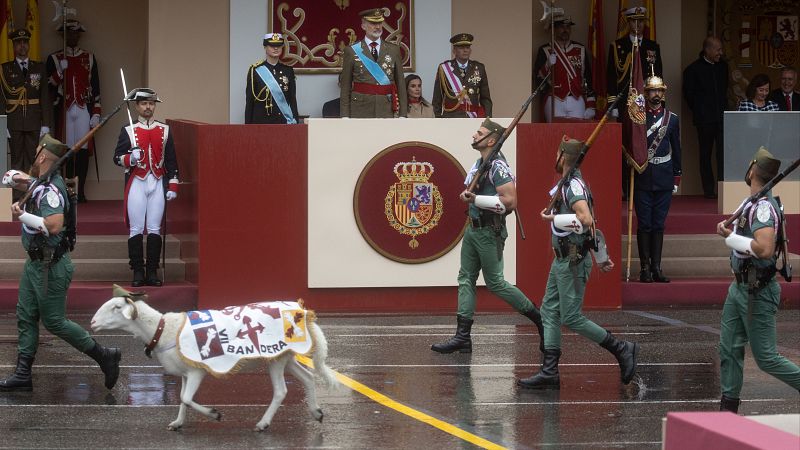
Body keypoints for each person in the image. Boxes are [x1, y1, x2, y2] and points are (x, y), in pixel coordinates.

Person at [0, 134, 121, 392]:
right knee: (26, 315)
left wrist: (23, 216)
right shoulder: (40, 183)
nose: (34, 156)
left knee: (54, 321)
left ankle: (104, 356)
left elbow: (54, 226)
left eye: (36, 153)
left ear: (42, 156)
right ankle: (23, 374)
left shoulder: (51, 191)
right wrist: (17, 178)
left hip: (50, 266)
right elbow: (10, 178)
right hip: (35, 264)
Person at [517, 137, 638, 389]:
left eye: (556, 154)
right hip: (562, 259)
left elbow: (586, 219)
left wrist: (553, 218)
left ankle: (621, 348)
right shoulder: (567, 183)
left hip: (572, 260)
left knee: (571, 317)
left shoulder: (573, 186)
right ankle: (549, 371)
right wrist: (601, 256)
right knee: (549, 311)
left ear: (562, 157)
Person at [431, 118, 544, 356]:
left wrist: (476, 199)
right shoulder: (481, 162)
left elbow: (510, 201)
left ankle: (539, 318)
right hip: (473, 228)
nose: (474, 135)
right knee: (465, 279)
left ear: (491, 140)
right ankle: (462, 337)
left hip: (489, 230)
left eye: (479, 133)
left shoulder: (497, 166)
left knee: (496, 283)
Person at [715, 147, 800, 413]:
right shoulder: (751, 202)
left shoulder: (762, 208)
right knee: (728, 347)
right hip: (739, 287)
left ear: (752, 170)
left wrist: (730, 238)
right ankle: (727, 410)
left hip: (757, 290)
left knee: (766, 358)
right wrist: (727, 231)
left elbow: (763, 247)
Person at [113, 88, 179, 287]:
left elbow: (171, 160)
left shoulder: (164, 130)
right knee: (136, 228)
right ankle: (137, 271)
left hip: (158, 180)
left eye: (151, 104)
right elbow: (116, 158)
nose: (148, 107)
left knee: (154, 228)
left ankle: (152, 271)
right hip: (137, 181)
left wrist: (173, 185)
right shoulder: (128, 130)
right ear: (137, 106)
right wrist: (129, 158)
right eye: (144, 104)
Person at [606, 6, 661, 199]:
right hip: (624, 105)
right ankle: (626, 189)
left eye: (641, 21)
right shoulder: (617, 46)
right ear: (628, 23)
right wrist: (612, 107)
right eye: (634, 21)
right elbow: (611, 78)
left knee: (645, 143)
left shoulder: (653, 47)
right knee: (625, 145)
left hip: (646, 105)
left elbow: (658, 78)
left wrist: (657, 104)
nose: (638, 25)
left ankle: (643, 187)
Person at [46, 19, 101, 203]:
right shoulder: (55, 58)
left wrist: (96, 112)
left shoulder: (89, 58)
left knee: (83, 150)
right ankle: (68, 190)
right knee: (68, 151)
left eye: (76, 33)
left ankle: (81, 190)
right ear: (63, 35)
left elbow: (96, 87)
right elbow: (48, 87)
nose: (73, 36)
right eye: (69, 33)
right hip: (65, 110)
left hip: (84, 108)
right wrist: (59, 73)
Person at [634, 74, 681, 283]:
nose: (657, 95)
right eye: (653, 91)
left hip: (664, 174)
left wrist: (677, 176)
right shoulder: (638, 118)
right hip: (643, 175)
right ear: (645, 93)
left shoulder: (672, 119)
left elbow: (677, 149)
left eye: (660, 91)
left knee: (658, 224)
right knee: (645, 224)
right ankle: (644, 268)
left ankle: (656, 267)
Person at [1, 29, 52, 202]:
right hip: (13, 121)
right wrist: (3, 123)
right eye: (18, 43)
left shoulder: (39, 67)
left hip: (34, 120)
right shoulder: (5, 69)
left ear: (28, 45)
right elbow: (2, 99)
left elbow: (45, 96)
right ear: (14, 46)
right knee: (16, 160)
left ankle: (33, 197)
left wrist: (46, 123)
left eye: (25, 42)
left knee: (34, 159)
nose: (22, 45)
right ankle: (17, 197)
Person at [682, 36, 729, 199]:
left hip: (722, 118)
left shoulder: (723, 67)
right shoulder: (692, 70)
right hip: (704, 120)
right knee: (705, 154)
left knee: (723, 154)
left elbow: (725, 91)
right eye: (718, 50)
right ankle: (709, 191)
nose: (720, 53)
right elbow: (689, 96)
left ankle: (724, 189)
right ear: (707, 50)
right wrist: (700, 110)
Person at [339, 8, 407, 118]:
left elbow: (401, 84)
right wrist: (344, 115)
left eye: (379, 22)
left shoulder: (393, 50)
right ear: (363, 26)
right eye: (373, 23)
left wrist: (403, 114)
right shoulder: (351, 51)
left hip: (386, 109)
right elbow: (345, 86)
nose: (378, 26)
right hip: (360, 109)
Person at [533, 12, 595, 122]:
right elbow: (538, 79)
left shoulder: (580, 49)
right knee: (554, 133)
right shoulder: (545, 50)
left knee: (577, 134)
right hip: (555, 99)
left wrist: (591, 105)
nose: (565, 30)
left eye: (568, 27)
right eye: (561, 27)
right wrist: (547, 65)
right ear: (554, 29)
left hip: (577, 98)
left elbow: (588, 78)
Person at [432, 33, 492, 118]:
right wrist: (438, 119)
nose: (465, 50)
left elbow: (485, 98)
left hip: (473, 118)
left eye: (467, 47)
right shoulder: (444, 68)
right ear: (454, 50)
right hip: (451, 118)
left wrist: (488, 119)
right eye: (461, 47)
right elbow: (437, 99)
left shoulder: (479, 68)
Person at [245, 33, 299, 124]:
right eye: (272, 45)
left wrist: (296, 122)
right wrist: (248, 126)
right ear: (265, 47)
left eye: (278, 45)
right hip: (261, 122)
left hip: (282, 121)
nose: (276, 48)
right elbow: (250, 102)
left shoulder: (288, 71)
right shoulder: (255, 70)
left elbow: (292, 99)